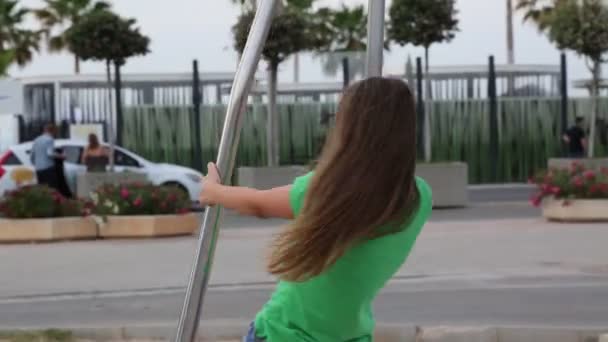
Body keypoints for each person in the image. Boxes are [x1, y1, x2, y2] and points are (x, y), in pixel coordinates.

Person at [199, 77, 433, 342]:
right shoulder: (419, 197)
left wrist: (213, 191)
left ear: (350, 127)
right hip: (350, 336)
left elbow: (258, 204)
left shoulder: (328, 190)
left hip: (285, 333)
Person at [31, 124, 64, 191]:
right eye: (55, 132)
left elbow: (32, 156)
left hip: (38, 170)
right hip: (48, 169)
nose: (55, 135)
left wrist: (36, 164)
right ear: (53, 131)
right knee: (52, 190)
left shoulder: (36, 140)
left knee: (43, 191)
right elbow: (50, 153)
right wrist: (61, 156)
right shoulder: (50, 139)